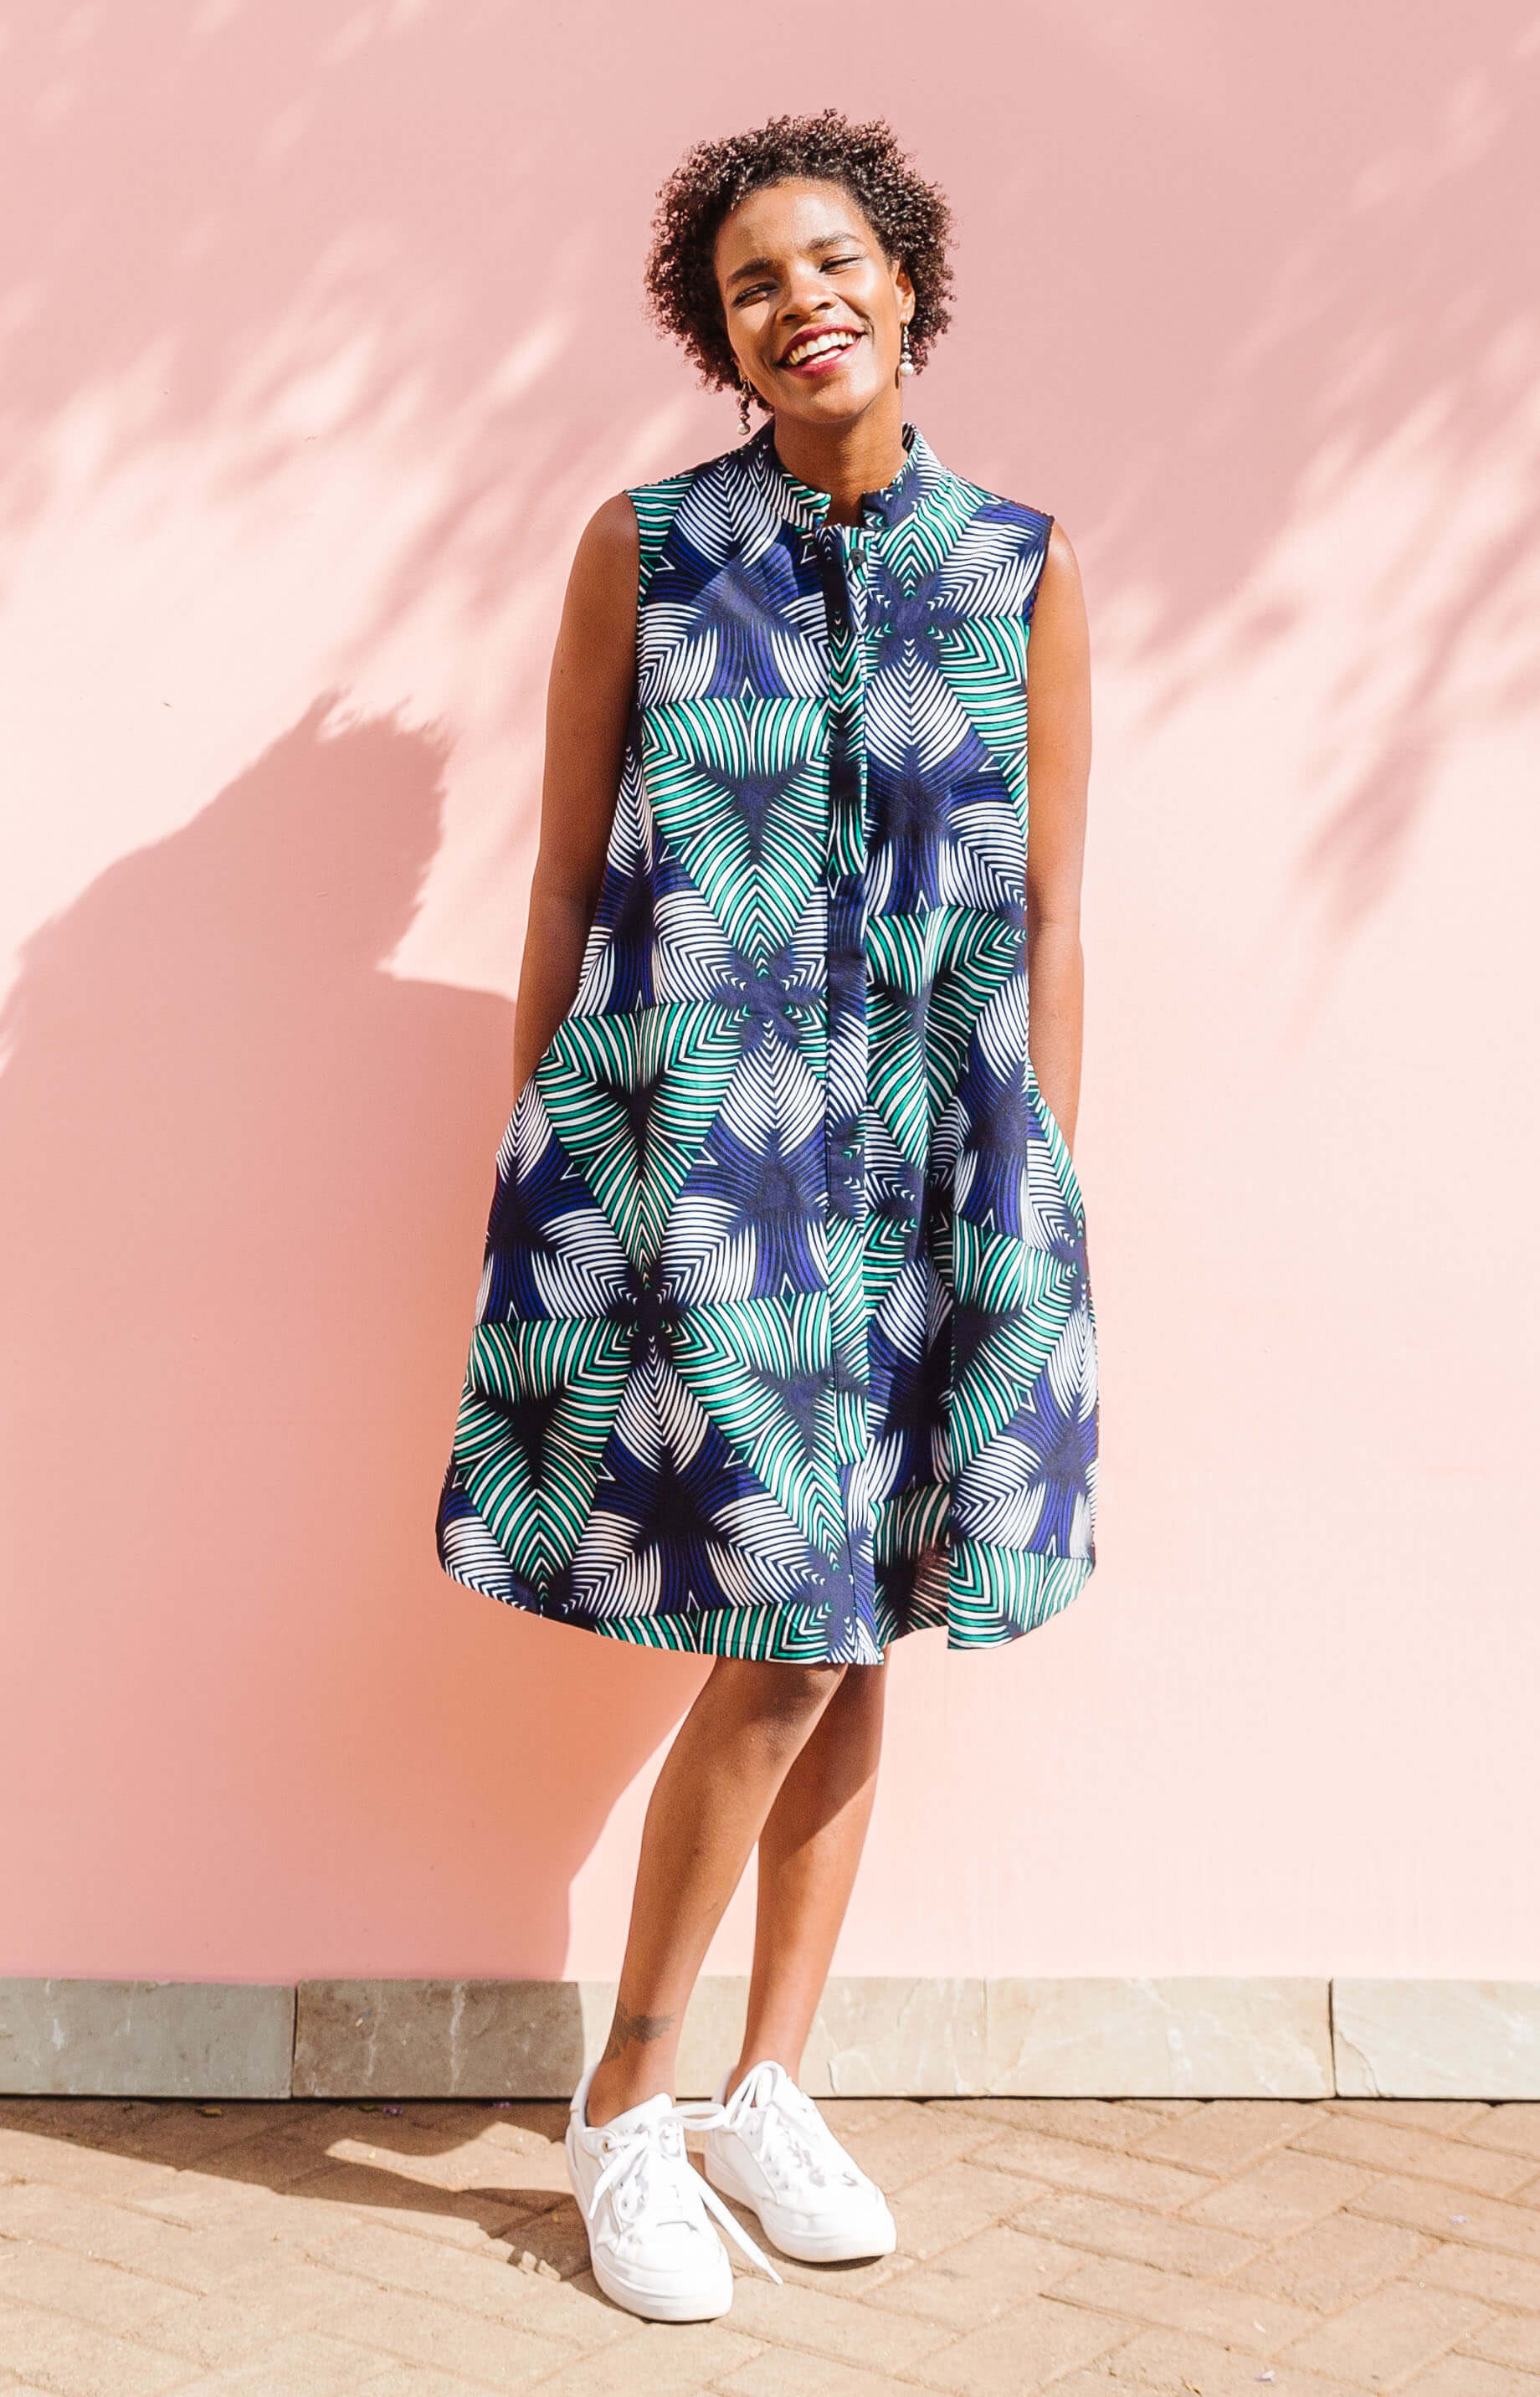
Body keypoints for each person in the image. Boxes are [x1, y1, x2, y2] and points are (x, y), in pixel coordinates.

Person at [436, 108, 1099, 2323]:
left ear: (905, 280)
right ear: (720, 336)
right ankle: (627, 2108)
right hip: (707, 1165)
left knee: (871, 1613)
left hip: (941, 1163)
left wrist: (1045, 1195)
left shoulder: (1020, 563)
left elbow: (1050, 910)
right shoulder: (645, 549)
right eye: (752, 284)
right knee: (794, 1627)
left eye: (833, 260)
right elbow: (556, 875)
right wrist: (553, 1144)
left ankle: (766, 2082)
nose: (801, 299)